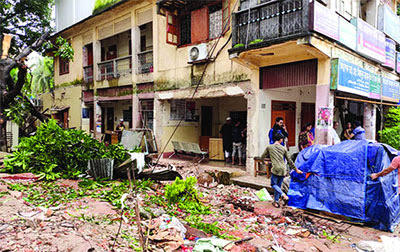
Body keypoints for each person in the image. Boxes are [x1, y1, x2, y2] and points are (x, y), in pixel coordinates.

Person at [261, 133, 303, 208]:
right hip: (283, 169)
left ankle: (283, 194)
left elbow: (262, 157)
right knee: (278, 186)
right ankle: (276, 202)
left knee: (273, 185)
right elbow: (289, 160)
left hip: (275, 169)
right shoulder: (283, 148)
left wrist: (265, 162)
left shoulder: (269, 147)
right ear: (280, 140)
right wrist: (296, 170)